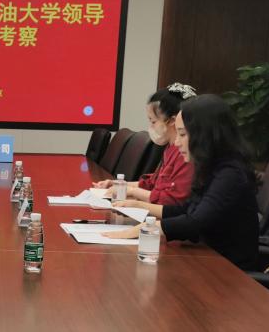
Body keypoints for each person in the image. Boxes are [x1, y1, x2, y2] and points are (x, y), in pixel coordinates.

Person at [102, 94, 260, 270]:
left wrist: (147, 228)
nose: (176, 142)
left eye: (182, 134)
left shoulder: (231, 173)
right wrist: (138, 206)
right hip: (204, 258)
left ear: (205, 135)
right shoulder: (211, 166)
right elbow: (187, 209)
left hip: (228, 270)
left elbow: (195, 222)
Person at [93, 84, 195, 206]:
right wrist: (119, 185)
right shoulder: (170, 148)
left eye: (153, 121)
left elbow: (171, 200)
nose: (150, 127)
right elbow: (153, 183)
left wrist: (132, 192)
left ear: (173, 120)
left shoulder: (184, 152)